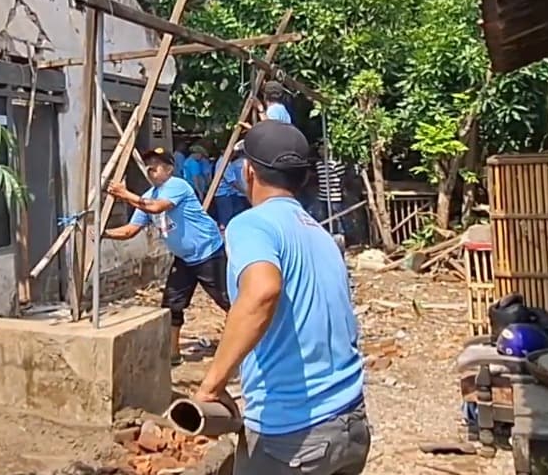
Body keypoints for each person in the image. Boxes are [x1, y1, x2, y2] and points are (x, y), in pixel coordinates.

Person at [195, 121, 369, 474]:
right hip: (351, 423)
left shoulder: (252, 224)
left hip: (293, 438)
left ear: (247, 171)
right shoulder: (320, 235)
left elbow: (262, 292)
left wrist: (210, 387)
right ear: (302, 179)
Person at [105, 147, 230, 366]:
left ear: (169, 169)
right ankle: (173, 353)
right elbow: (131, 230)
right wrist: (103, 233)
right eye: (148, 164)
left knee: (228, 300)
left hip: (207, 253)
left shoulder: (177, 186)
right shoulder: (145, 197)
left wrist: (125, 195)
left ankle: (246, 344)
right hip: (183, 259)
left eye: (157, 164)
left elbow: (157, 208)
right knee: (172, 304)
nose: (151, 168)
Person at [211, 142, 250, 230]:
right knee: (226, 217)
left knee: (233, 212)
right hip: (223, 194)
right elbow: (232, 181)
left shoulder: (229, 163)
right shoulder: (223, 163)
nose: (234, 153)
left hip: (229, 193)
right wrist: (244, 191)